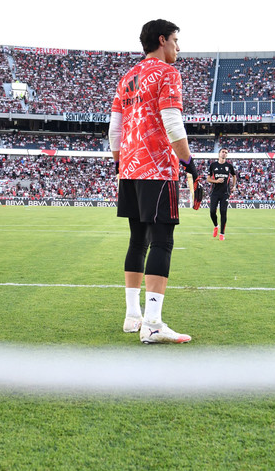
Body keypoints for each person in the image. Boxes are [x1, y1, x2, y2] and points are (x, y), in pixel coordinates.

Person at [109, 18, 194, 344]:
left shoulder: (126, 78)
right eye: (175, 40)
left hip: (129, 168)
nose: (178, 47)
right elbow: (172, 122)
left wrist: (121, 163)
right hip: (157, 168)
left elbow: (114, 130)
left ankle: (132, 316)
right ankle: (153, 323)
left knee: (137, 241)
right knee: (161, 241)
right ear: (162, 40)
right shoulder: (167, 73)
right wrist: (189, 163)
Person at [206, 148, 237, 241]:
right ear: (219, 153)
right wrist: (216, 181)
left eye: (226, 152)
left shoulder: (229, 166)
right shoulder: (213, 165)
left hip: (225, 193)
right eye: (223, 152)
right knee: (212, 212)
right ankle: (216, 226)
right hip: (214, 192)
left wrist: (234, 186)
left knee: (223, 212)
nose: (224, 153)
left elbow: (234, 176)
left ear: (227, 155)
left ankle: (222, 234)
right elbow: (208, 179)